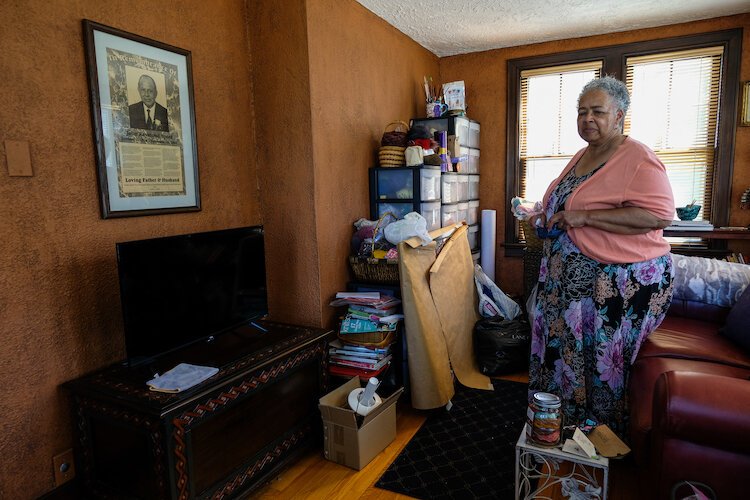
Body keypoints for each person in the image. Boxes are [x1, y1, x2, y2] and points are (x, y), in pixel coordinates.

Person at [528, 75, 675, 438]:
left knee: (597, 359)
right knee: (568, 354)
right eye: (581, 112)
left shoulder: (637, 156)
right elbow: (565, 201)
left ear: (619, 115)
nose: (587, 119)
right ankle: (561, 422)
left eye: (597, 111)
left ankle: (598, 436)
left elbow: (658, 215)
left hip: (613, 283)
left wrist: (585, 218)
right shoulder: (583, 154)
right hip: (569, 282)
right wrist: (542, 215)